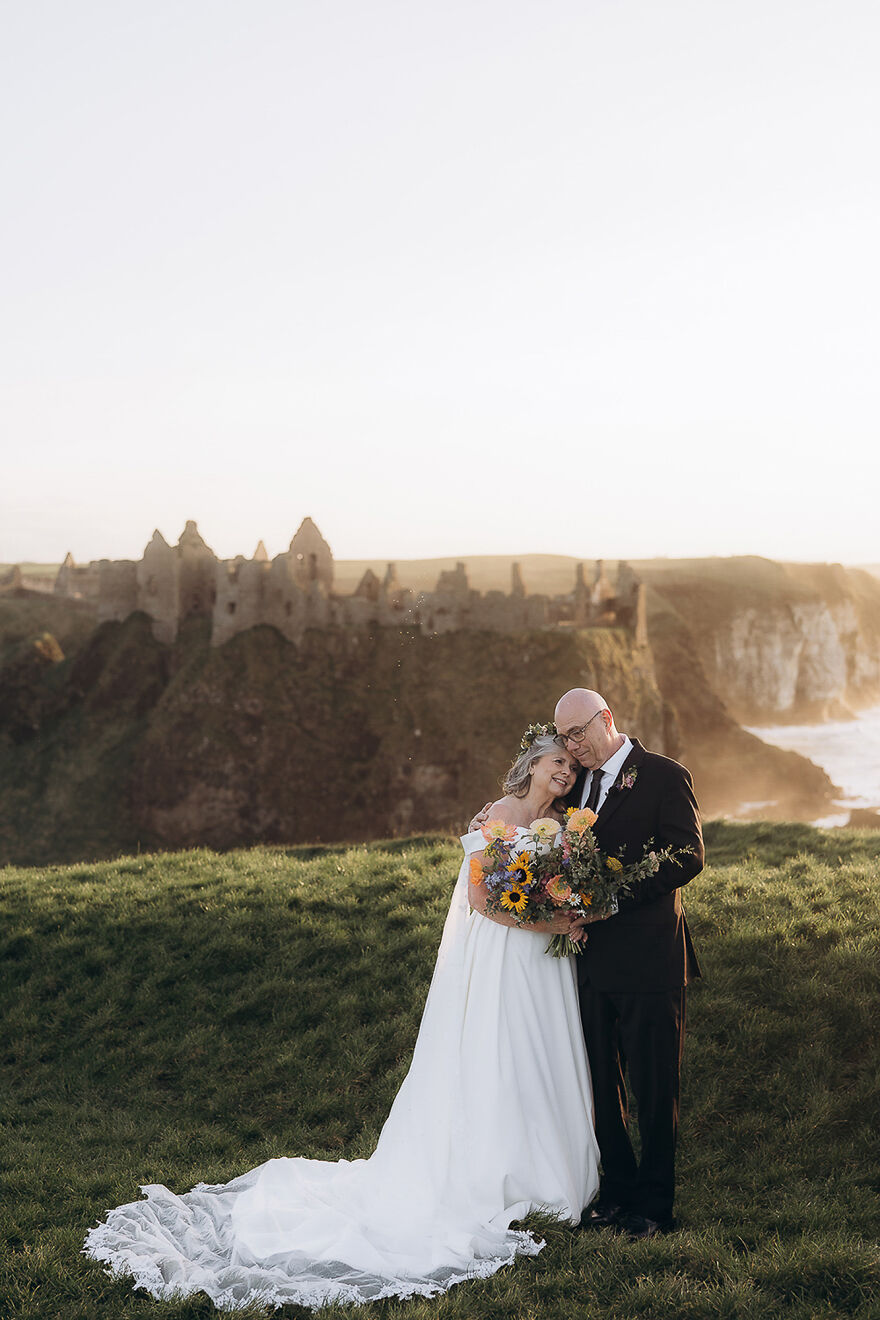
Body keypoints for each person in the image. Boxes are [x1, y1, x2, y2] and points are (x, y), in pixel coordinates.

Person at [84, 734, 600, 1311]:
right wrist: (547, 924)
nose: (567, 774)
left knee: (542, 1055)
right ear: (535, 763)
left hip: (544, 965)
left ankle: (549, 1175)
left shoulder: (571, 822)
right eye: (560, 762)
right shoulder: (497, 817)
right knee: (497, 1055)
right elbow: (482, 900)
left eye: (574, 768)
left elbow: (565, 882)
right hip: (505, 956)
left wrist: (567, 911)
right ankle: (495, 1173)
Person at [554, 688, 704, 1239]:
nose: (574, 747)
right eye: (565, 738)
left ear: (606, 719)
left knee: (654, 1084)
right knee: (600, 1083)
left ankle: (655, 1207)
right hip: (589, 962)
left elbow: (689, 855)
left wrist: (611, 899)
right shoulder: (576, 787)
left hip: (648, 958)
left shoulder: (664, 775)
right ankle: (615, 1193)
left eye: (579, 733)